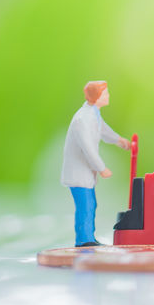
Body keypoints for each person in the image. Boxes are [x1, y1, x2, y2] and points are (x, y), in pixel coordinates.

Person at [61, 81, 130, 246]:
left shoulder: (93, 114)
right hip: (79, 172)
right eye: (105, 93)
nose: (108, 96)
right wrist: (102, 168)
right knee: (86, 205)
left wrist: (118, 140)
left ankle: (88, 238)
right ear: (97, 97)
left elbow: (103, 130)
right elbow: (88, 148)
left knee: (90, 204)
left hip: (85, 173)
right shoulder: (82, 119)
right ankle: (84, 240)